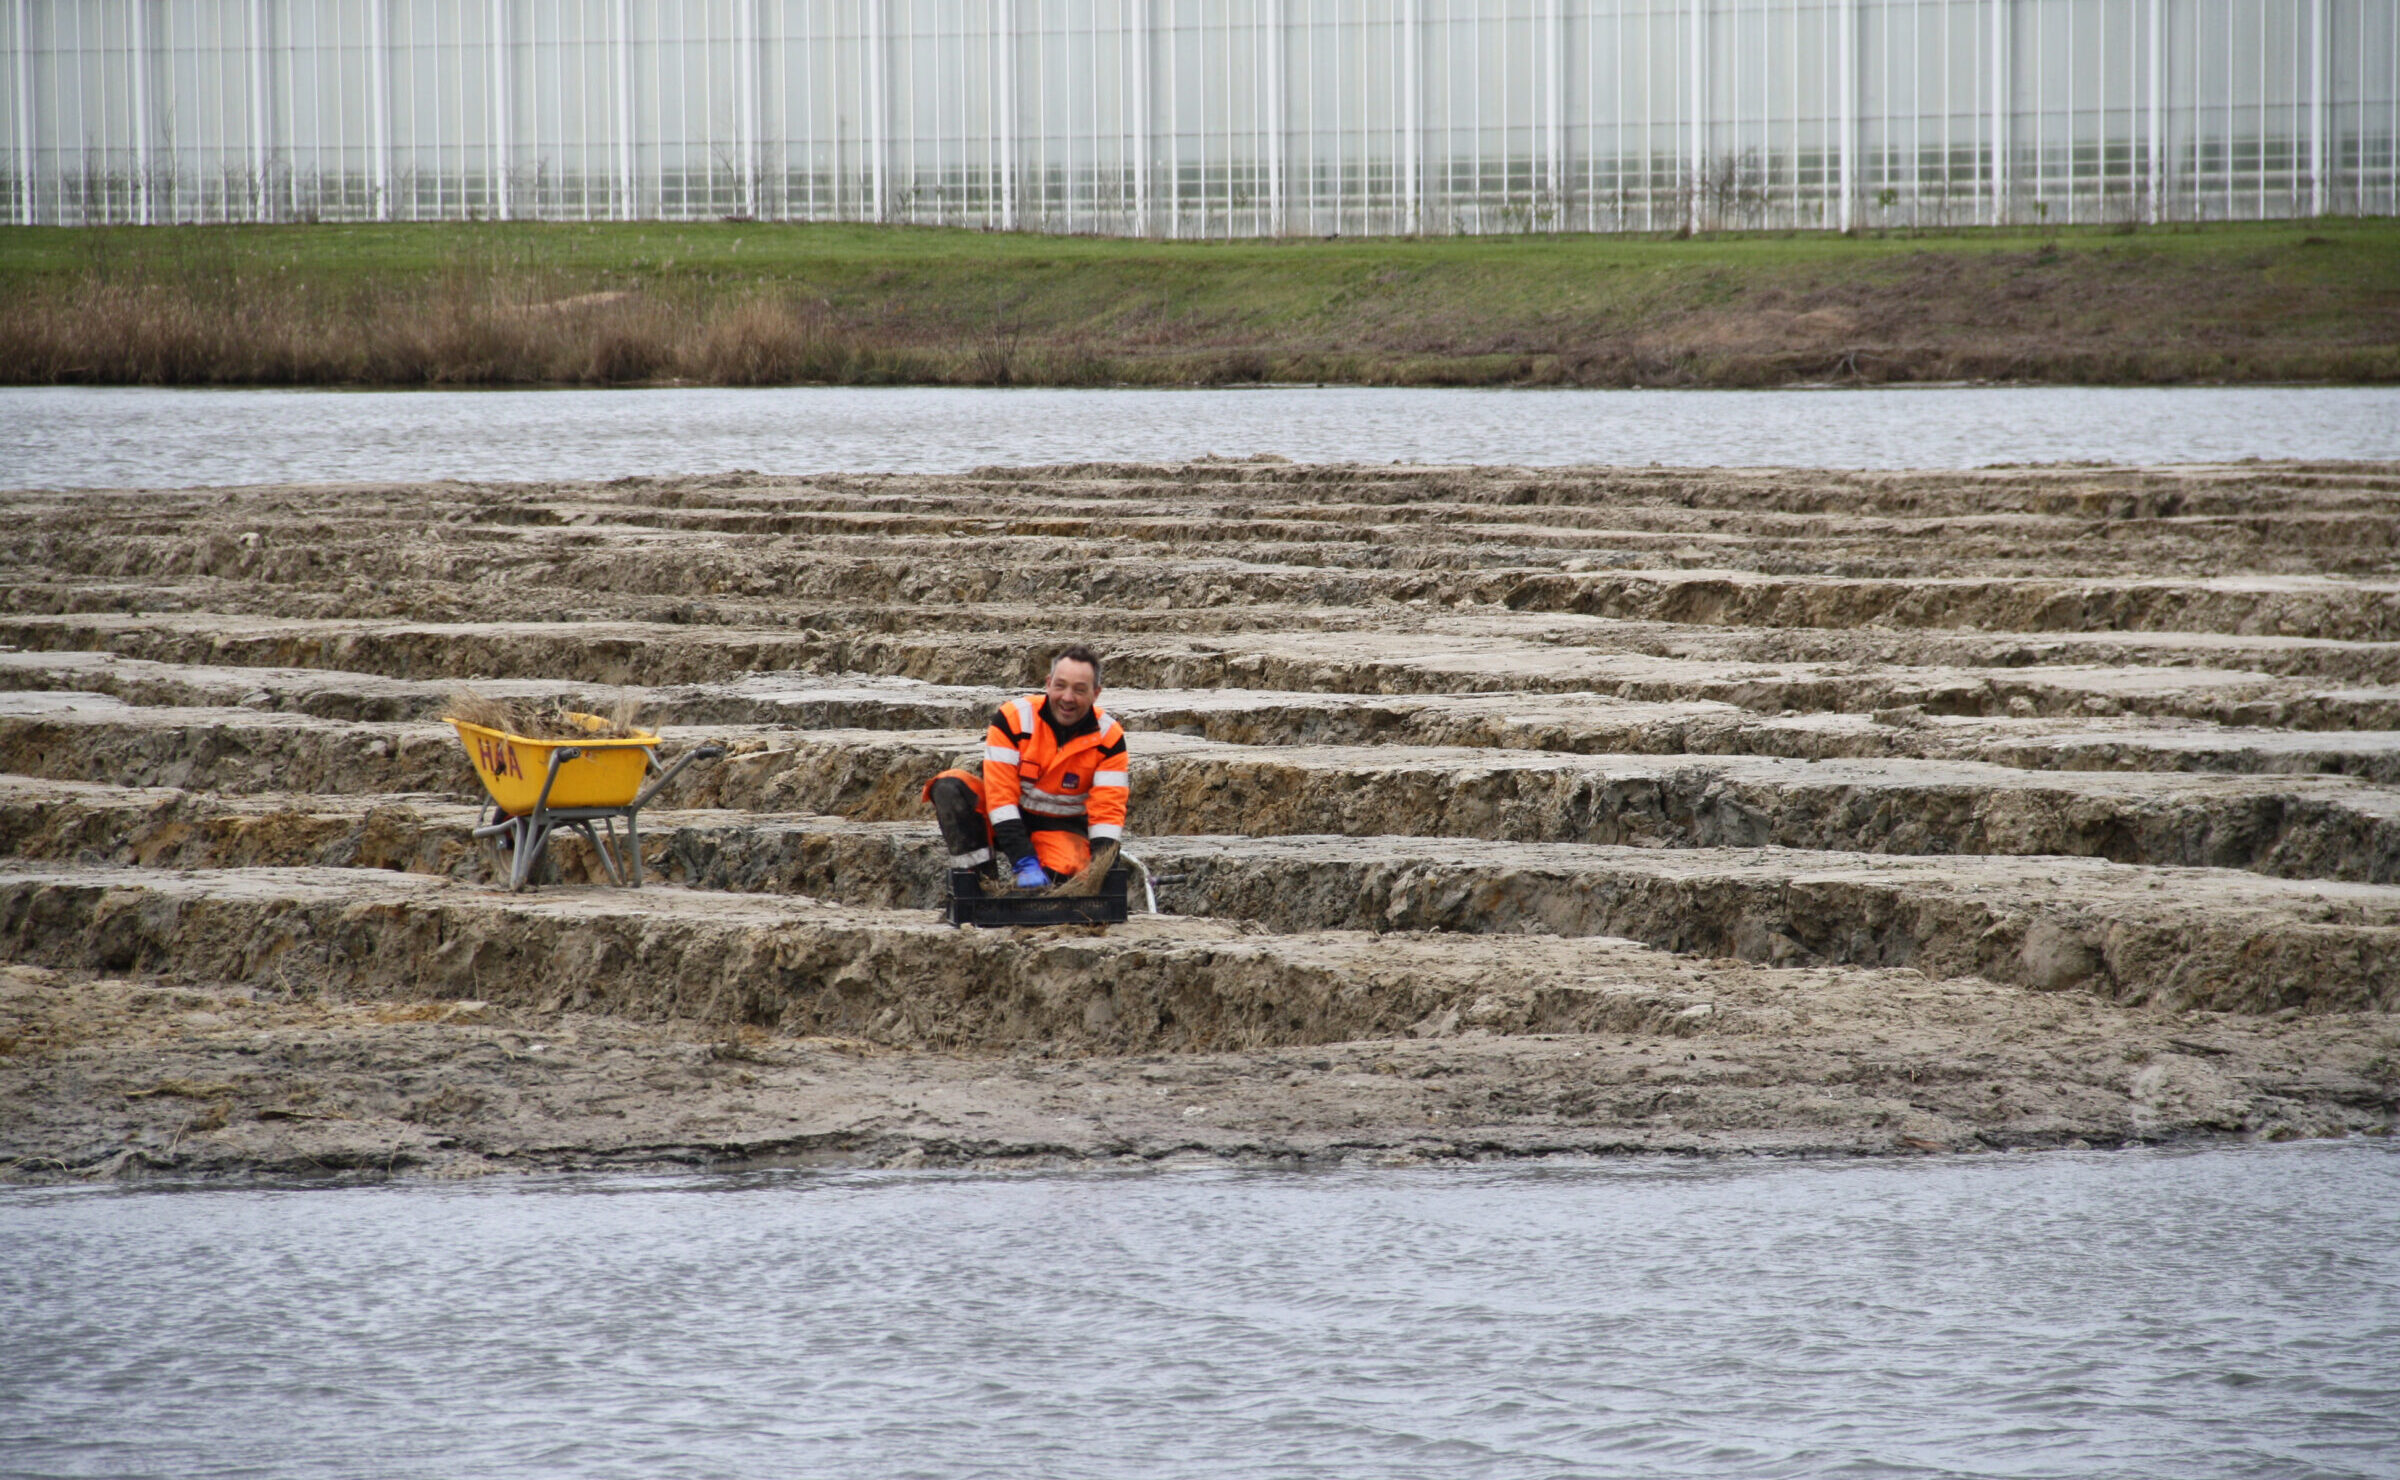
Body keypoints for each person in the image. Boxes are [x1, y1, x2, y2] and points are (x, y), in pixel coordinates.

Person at [923, 644, 1128, 893]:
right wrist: (1024, 861)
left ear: (1096, 694)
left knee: (1063, 882)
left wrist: (1104, 873)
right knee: (949, 787)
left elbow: (1107, 814)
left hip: (1062, 829)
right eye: (1060, 686)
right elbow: (1000, 800)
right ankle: (979, 886)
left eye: (1079, 690)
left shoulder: (1109, 737)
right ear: (1048, 683)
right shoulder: (1013, 719)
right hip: (1008, 818)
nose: (1067, 698)